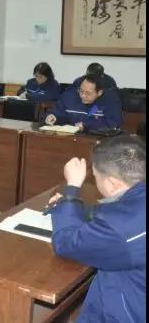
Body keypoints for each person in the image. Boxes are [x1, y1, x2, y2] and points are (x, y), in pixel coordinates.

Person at [49, 136, 145, 323]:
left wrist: (72, 188)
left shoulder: (119, 229)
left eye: (95, 176)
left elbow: (65, 243)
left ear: (112, 184)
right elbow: (119, 211)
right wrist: (70, 205)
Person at [45, 75, 123, 132]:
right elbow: (58, 112)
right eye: (81, 91)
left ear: (99, 92)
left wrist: (86, 124)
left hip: (97, 141)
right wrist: (52, 116)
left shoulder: (110, 101)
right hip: (70, 138)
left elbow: (113, 125)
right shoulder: (69, 96)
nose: (83, 96)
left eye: (88, 93)